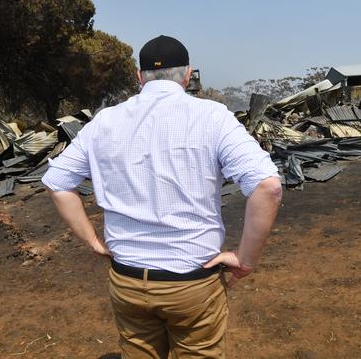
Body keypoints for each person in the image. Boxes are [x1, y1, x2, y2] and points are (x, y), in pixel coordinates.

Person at [42, 35, 282, 358]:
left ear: (139, 78)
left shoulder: (105, 122)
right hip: (193, 283)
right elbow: (267, 186)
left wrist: (93, 241)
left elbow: (57, 180)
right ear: (188, 74)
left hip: (127, 281)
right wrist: (245, 259)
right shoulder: (213, 117)